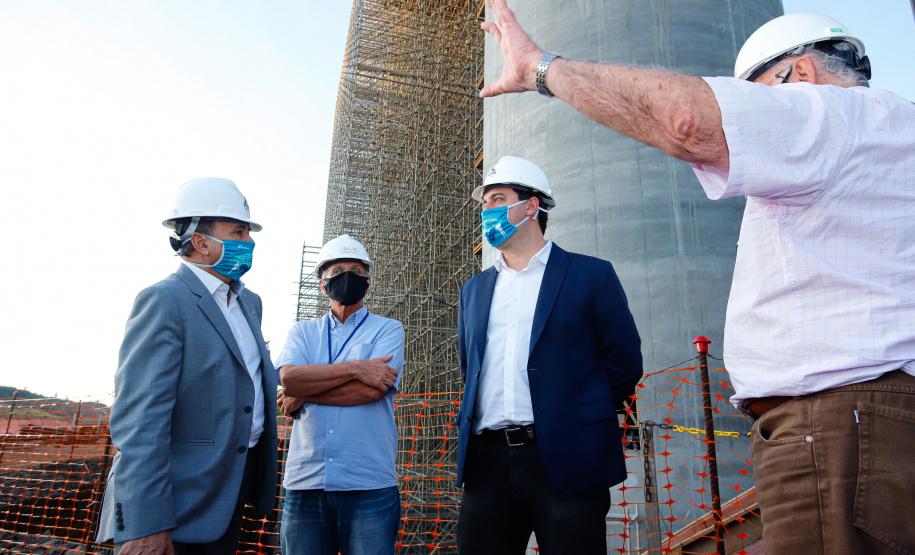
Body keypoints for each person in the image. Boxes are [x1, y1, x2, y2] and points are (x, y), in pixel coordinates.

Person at [480, 2, 915, 553]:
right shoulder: (895, 127)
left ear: (801, 72)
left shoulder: (825, 112)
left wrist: (542, 68)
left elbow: (686, 120)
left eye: (758, 92)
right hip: (876, 421)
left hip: (838, 429)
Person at [455, 155, 643, 554]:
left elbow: (623, 362)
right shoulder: (473, 291)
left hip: (566, 459)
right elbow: (469, 368)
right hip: (486, 467)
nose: (486, 211)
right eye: (484, 203)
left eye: (497, 199)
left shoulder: (591, 276)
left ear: (531, 206)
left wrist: (572, 416)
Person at [97, 177, 279, 554]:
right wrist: (146, 523)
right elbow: (141, 421)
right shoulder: (165, 301)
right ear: (201, 241)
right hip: (176, 508)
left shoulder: (249, 304)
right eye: (238, 232)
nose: (249, 242)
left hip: (229, 494)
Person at [275, 234, 405, 555]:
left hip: (368, 483)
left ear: (367, 283)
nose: (348, 276)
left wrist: (306, 391)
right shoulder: (302, 332)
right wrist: (357, 368)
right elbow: (288, 378)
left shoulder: (388, 329)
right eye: (337, 271)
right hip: (307, 482)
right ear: (323, 284)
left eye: (357, 271)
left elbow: (371, 390)